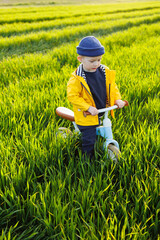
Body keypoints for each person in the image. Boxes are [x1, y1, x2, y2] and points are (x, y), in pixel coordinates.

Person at [67, 36, 125, 159]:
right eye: (92, 61)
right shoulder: (77, 78)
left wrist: (117, 99)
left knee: (102, 128)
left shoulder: (104, 71)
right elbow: (73, 96)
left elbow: (112, 87)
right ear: (80, 59)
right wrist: (87, 107)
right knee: (89, 140)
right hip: (86, 115)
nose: (96, 64)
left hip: (101, 110)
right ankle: (86, 161)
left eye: (99, 60)